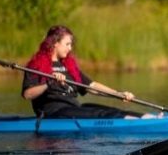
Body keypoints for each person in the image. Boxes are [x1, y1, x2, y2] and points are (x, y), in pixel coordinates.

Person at [21, 25, 155, 119]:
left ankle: (149, 118)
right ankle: (137, 124)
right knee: (101, 114)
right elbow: (27, 94)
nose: (70, 48)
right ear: (55, 43)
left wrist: (117, 94)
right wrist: (49, 83)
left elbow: (92, 86)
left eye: (71, 45)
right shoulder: (36, 65)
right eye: (67, 44)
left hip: (73, 108)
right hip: (54, 112)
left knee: (110, 110)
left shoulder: (68, 65)